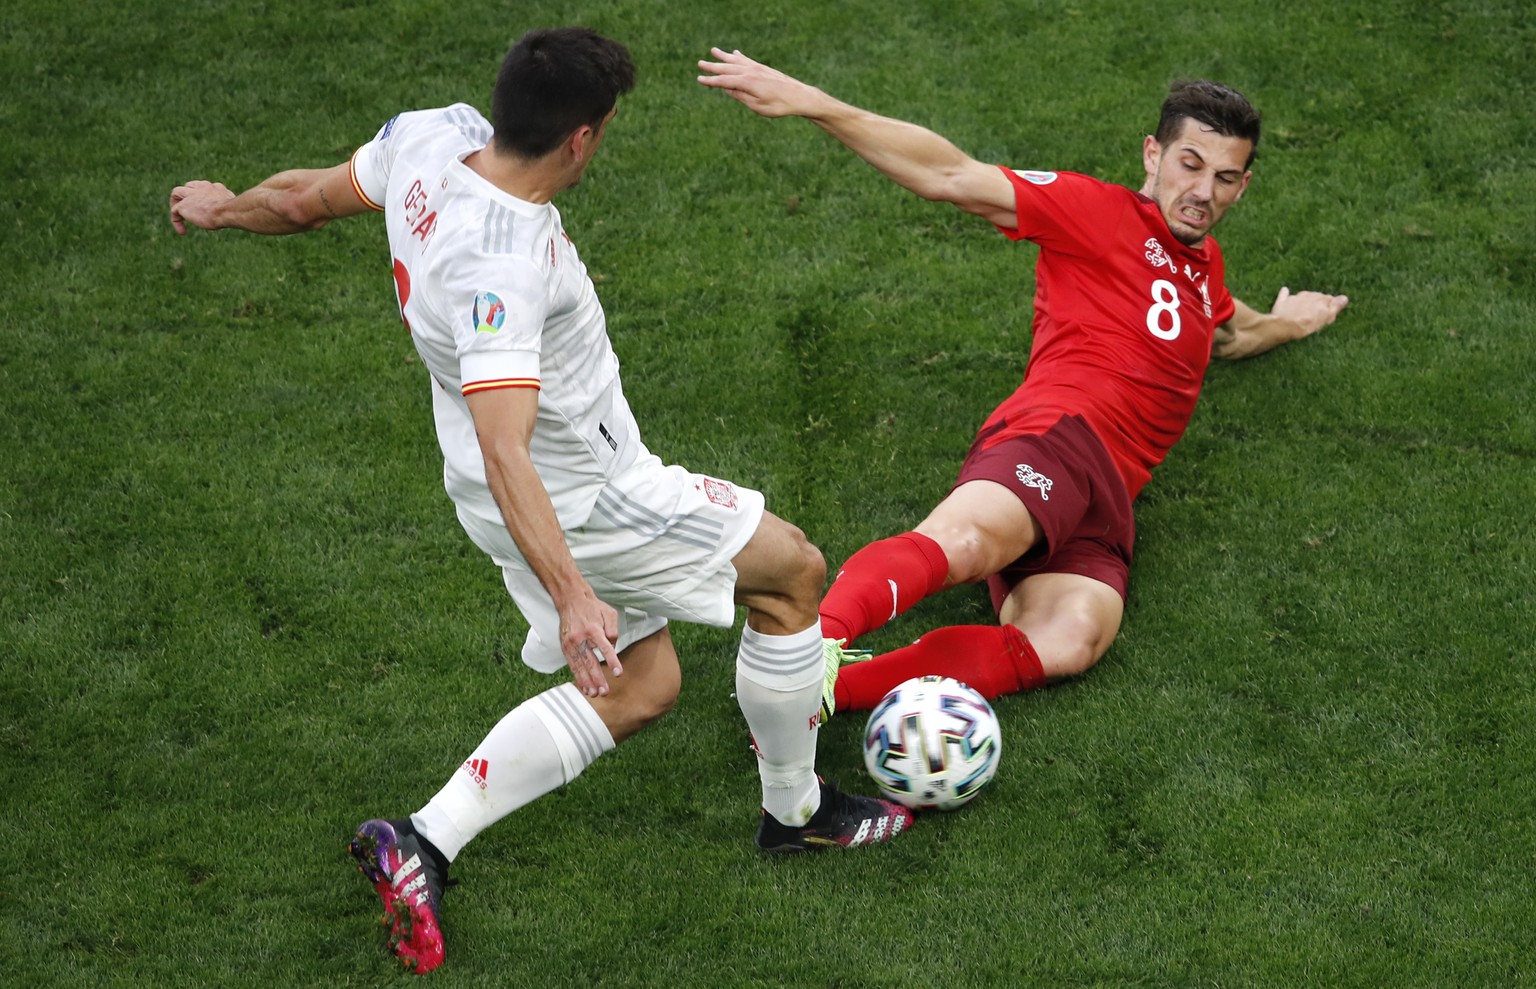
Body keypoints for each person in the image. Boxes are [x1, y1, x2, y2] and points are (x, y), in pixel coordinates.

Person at [170, 28, 913, 975]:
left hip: (496, 492)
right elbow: (506, 440)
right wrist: (572, 594)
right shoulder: (503, 267)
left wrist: (227, 207)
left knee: (647, 687)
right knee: (794, 572)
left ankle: (421, 842)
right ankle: (797, 815)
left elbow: (306, 197)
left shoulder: (432, 138)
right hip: (587, 497)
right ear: (582, 139)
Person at [697, 49, 1349, 720]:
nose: (1203, 192)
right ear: (1153, 154)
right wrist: (815, 102)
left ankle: (823, 696)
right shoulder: (1096, 211)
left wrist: (1291, 323)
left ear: (1244, 184)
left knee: (1072, 637)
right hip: (1057, 439)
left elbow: (1233, 333)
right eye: (1190, 165)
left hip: (1106, 502)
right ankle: (807, 653)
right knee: (969, 544)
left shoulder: (1202, 269)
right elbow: (949, 173)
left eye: (1225, 177)